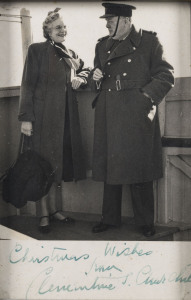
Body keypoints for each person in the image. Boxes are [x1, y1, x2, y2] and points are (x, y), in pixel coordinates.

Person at [90, 2, 174, 237]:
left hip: (135, 114)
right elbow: (97, 76)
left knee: (140, 166)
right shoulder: (102, 45)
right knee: (110, 167)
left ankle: (146, 222)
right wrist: (95, 76)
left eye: (111, 19)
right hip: (108, 113)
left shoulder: (149, 42)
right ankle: (109, 218)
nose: (106, 24)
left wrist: (144, 98)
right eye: (106, 20)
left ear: (126, 21)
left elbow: (166, 75)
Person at [18, 8, 89, 233]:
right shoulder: (36, 50)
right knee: (43, 165)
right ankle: (43, 214)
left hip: (65, 118)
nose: (63, 30)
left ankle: (56, 210)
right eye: (58, 27)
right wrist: (26, 119)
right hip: (43, 119)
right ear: (47, 30)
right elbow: (27, 84)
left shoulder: (69, 52)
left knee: (58, 164)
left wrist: (80, 77)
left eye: (64, 27)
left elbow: (85, 68)